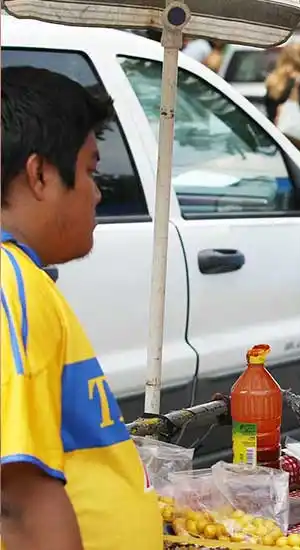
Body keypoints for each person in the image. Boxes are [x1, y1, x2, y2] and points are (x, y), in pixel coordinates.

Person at [0, 67, 162, 550]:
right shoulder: (11, 287)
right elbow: (17, 504)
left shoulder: (24, 278)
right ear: (40, 174)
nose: (97, 191)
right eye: (90, 170)